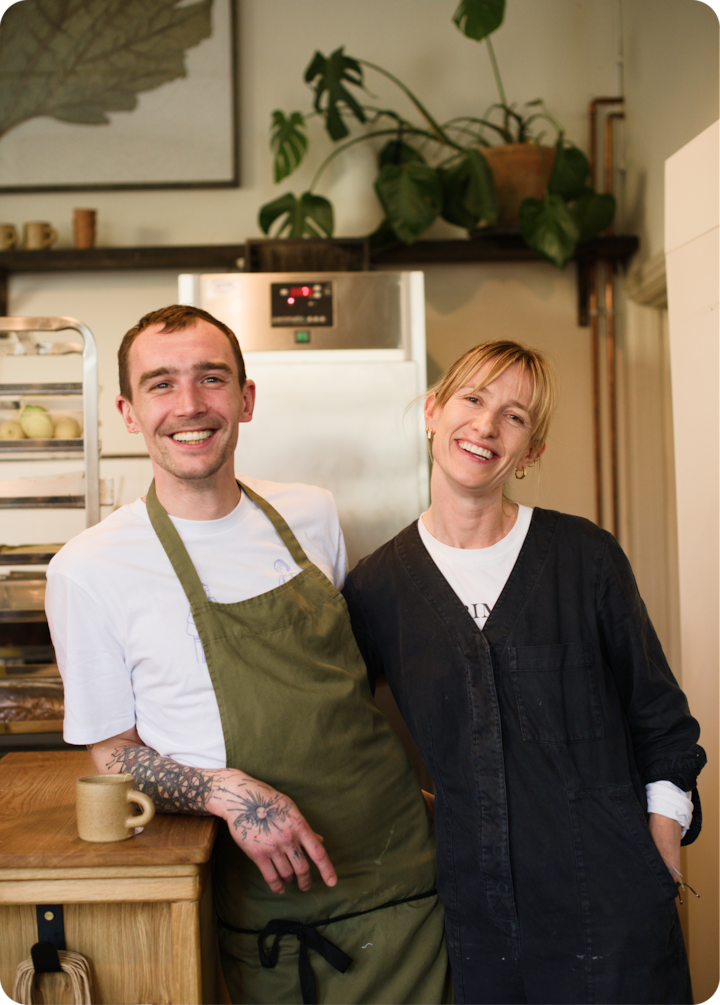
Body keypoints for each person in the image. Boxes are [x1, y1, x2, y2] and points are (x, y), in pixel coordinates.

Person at [45, 305, 453, 1005]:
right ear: (128, 411)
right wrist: (224, 790)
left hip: (411, 872)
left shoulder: (313, 515)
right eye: (161, 384)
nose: (190, 405)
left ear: (246, 397)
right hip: (275, 905)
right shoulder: (89, 568)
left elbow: (344, 684)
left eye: (212, 378)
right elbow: (111, 750)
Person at [341, 339, 706, 1005]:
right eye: (473, 399)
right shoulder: (379, 587)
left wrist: (659, 851)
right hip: (477, 918)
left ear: (531, 452)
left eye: (514, 416)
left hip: (614, 907)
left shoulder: (586, 559)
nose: (485, 425)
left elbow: (665, 725)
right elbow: (335, 725)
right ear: (432, 410)